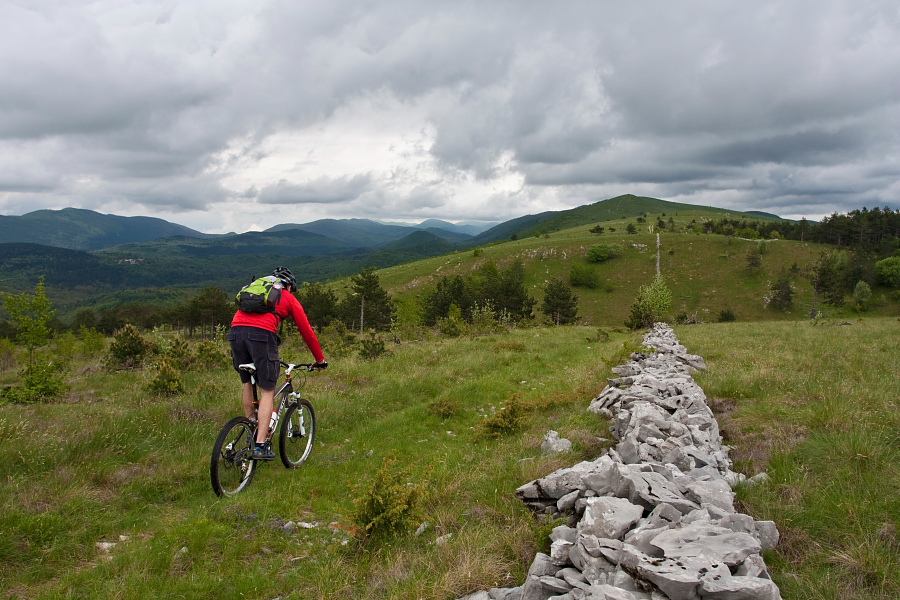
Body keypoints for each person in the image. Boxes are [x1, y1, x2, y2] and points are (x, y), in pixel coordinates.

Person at [228, 266, 327, 460]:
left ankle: (251, 429)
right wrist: (319, 360)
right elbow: (306, 330)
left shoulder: (254, 289)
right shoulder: (287, 296)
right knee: (267, 390)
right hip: (261, 337)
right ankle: (260, 445)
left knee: (247, 381)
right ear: (289, 285)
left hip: (235, 333)